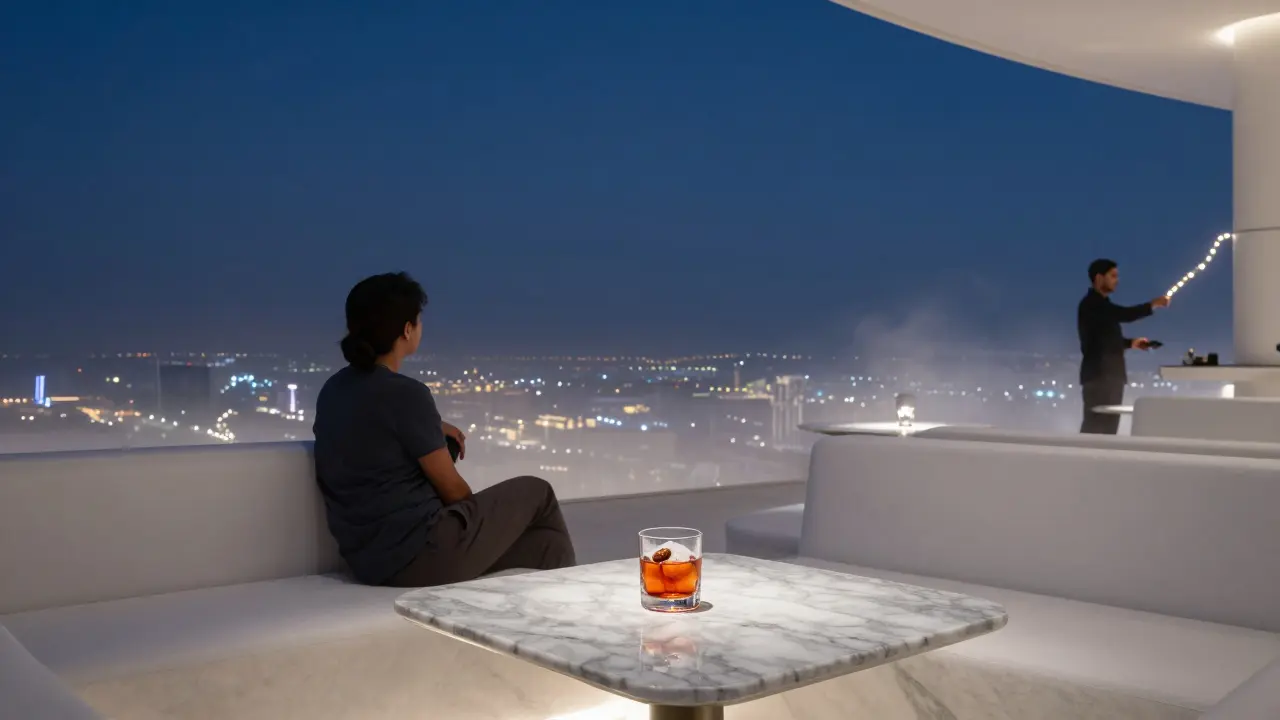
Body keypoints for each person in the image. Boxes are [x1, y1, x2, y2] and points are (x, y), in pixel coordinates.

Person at [312, 272, 576, 587]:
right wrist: (479, 525)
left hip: (369, 562)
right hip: (423, 551)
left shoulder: (333, 389)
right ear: (407, 329)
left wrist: (431, 426)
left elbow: (372, 424)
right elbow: (453, 490)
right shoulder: (406, 394)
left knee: (549, 547)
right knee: (537, 491)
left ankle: (555, 607)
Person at [1077, 259, 1170, 434]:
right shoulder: (1092, 304)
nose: (1117, 280)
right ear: (1099, 278)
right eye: (1113, 276)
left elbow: (1104, 340)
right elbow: (1124, 315)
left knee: (1107, 427)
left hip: (1108, 376)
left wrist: (1130, 343)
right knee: (1096, 426)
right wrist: (1152, 305)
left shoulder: (1100, 306)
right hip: (1100, 377)